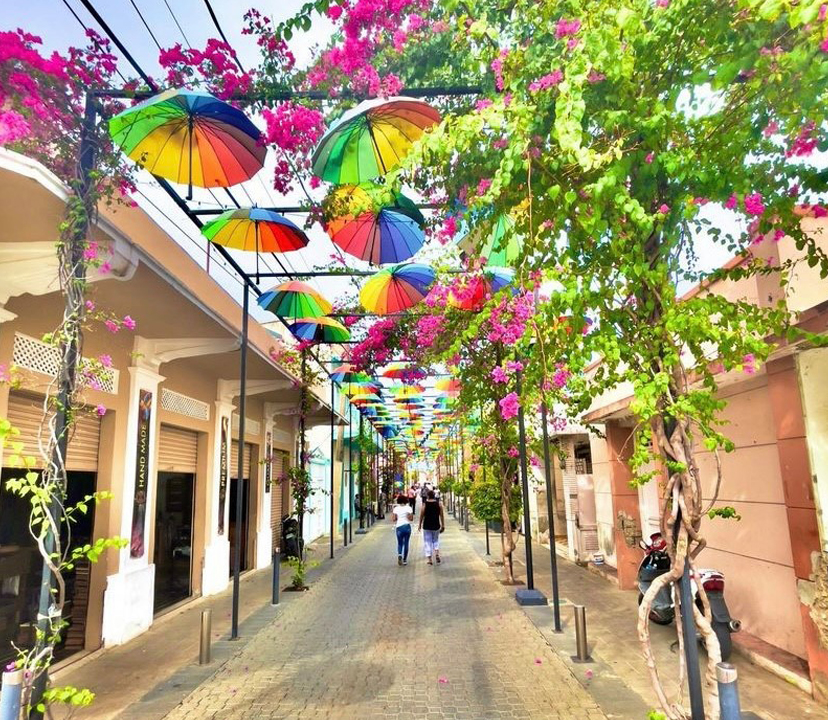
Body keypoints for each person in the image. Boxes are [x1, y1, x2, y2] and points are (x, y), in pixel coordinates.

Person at [418, 489, 445, 565]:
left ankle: (429, 559)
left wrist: (419, 525)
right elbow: (441, 516)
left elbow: (421, 516)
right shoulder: (439, 504)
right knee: (435, 540)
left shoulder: (425, 504)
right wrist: (443, 525)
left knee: (427, 542)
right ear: (434, 496)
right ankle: (436, 553)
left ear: (428, 496)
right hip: (436, 525)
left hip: (427, 525)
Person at [392, 494, 414, 565]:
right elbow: (411, 519)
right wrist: (407, 516)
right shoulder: (409, 508)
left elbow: (394, 519)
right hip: (407, 527)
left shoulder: (396, 508)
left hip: (399, 527)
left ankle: (399, 555)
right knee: (406, 543)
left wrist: (398, 517)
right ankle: (404, 560)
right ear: (406, 501)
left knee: (400, 543)